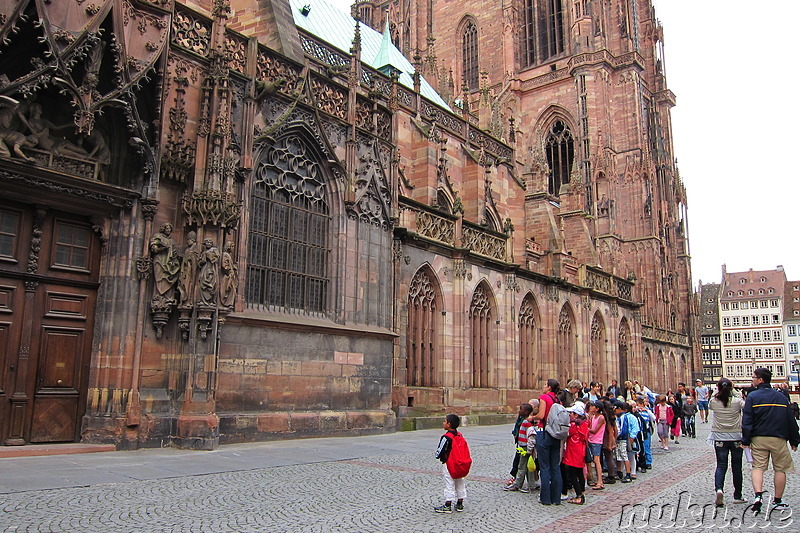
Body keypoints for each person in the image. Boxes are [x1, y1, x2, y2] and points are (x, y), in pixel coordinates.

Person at [742, 368, 800, 514]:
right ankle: (777, 500)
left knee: (758, 467)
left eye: (754, 377)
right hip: (778, 438)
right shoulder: (781, 397)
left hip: (759, 438)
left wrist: (746, 440)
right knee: (780, 469)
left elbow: (747, 421)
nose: (752, 379)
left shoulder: (752, 397)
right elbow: (790, 419)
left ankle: (758, 496)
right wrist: (794, 440)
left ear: (760, 380)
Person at [709, 377, 746, 507]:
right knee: (737, 467)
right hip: (736, 437)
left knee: (721, 465)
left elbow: (710, 401)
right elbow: (744, 403)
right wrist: (733, 389)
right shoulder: (736, 402)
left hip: (719, 437)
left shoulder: (714, 401)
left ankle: (719, 489)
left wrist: (717, 390)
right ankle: (738, 495)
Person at [533, 379, 562, 505]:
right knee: (555, 466)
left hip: (544, 433)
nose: (543, 386)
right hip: (555, 435)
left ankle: (545, 498)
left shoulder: (544, 397)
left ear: (549, 387)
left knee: (544, 467)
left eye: (545, 385)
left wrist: (531, 417)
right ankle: (556, 498)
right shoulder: (558, 399)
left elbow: (541, 415)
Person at [434, 414, 467, 513]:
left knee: (449, 482)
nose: (443, 423)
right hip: (459, 463)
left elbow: (440, 451)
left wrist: (437, 455)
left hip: (449, 463)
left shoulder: (446, 437)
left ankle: (448, 504)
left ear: (449, 424)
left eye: (445, 421)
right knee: (460, 481)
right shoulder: (459, 435)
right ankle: (460, 503)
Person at [505, 403, 536, 492]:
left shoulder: (526, 423)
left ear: (526, 412)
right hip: (523, 447)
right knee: (528, 468)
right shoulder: (525, 421)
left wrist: (529, 449)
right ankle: (531, 486)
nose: (519, 411)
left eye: (521, 409)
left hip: (525, 448)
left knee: (522, 467)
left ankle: (518, 485)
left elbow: (531, 437)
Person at [562, 402, 589, 504]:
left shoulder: (573, 426)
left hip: (573, 452)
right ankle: (581, 493)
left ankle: (579, 496)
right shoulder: (585, 424)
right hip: (581, 451)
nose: (570, 415)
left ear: (576, 415)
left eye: (571, 413)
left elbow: (566, 435)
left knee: (572, 474)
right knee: (579, 473)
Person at [586, 400, 606, 489]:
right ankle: (596, 479)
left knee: (596, 460)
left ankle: (600, 481)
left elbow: (594, 430)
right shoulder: (593, 417)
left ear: (597, 408)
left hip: (597, 441)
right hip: (591, 440)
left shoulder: (601, 418)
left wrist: (585, 428)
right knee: (594, 460)